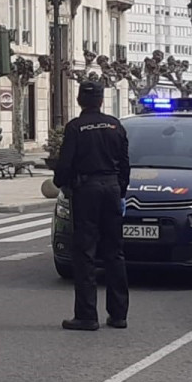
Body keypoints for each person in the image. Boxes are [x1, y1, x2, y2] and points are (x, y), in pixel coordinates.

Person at [53, 81, 130, 330]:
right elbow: (125, 162)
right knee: (114, 252)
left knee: (85, 253)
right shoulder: (115, 125)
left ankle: (87, 315)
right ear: (101, 100)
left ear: (79, 101)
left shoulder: (76, 127)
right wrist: (121, 190)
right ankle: (118, 315)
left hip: (87, 191)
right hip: (111, 188)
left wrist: (63, 184)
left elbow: (65, 164)